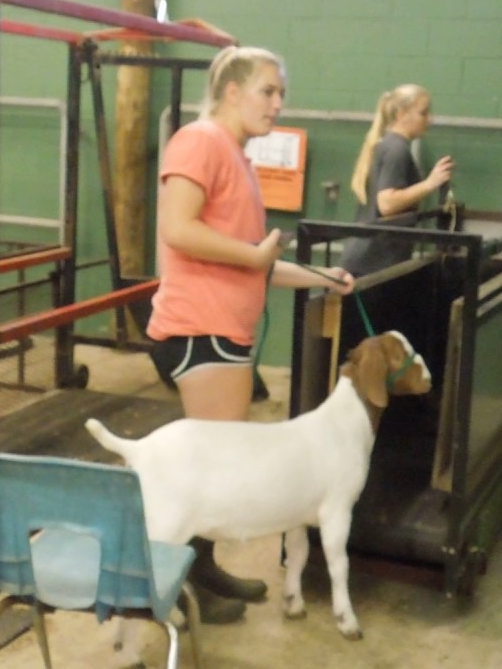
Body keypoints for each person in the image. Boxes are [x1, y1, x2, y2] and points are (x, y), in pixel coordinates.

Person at [147, 45, 355, 624]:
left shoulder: (234, 154)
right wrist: (255, 253)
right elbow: (175, 229)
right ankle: (183, 583)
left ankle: (202, 569)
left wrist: (321, 277)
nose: (278, 103)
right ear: (232, 90)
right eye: (268, 90)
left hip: (223, 332)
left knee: (220, 464)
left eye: (281, 92)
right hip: (199, 328)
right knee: (210, 470)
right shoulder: (200, 141)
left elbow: (254, 261)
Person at [337, 84, 455, 276]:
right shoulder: (397, 150)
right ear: (401, 114)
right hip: (373, 263)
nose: (429, 119)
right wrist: (430, 183)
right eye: (423, 113)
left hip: (369, 258)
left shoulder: (389, 145)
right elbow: (387, 203)